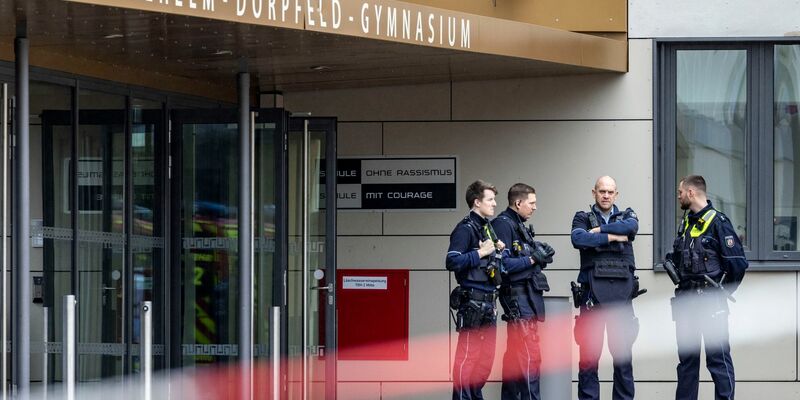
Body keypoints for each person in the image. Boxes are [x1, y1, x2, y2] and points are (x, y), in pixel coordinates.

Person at [667, 175, 747, 400]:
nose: (679, 196)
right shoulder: (685, 223)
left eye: (680, 192)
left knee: (718, 361)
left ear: (691, 193)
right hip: (686, 302)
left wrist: (720, 293)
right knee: (687, 365)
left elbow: (738, 264)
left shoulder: (719, 222)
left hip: (711, 302)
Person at [571, 176, 642, 400]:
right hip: (592, 299)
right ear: (594, 192)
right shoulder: (582, 217)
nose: (606, 196)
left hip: (621, 300)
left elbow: (631, 227)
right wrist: (614, 236)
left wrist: (599, 231)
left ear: (616, 194)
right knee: (589, 361)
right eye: (602, 191)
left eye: (610, 192)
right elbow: (579, 238)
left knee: (622, 360)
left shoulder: (627, 215)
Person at [491, 183, 555, 400]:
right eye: (532, 203)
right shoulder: (503, 224)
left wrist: (540, 257)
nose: (535, 208)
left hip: (527, 297)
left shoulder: (519, 224)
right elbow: (504, 265)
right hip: (517, 298)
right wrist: (533, 258)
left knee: (515, 361)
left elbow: (526, 261)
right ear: (518, 203)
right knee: (530, 358)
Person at [446, 179, 505, 400]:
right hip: (472, 303)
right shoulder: (465, 229)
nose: (494, 203)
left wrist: (497, 250)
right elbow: (452, 261)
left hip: (489, 303)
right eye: (490, 200)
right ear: (477, 202)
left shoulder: (487, 228)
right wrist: (480, 253)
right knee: (467, 358)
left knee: (484, 362)